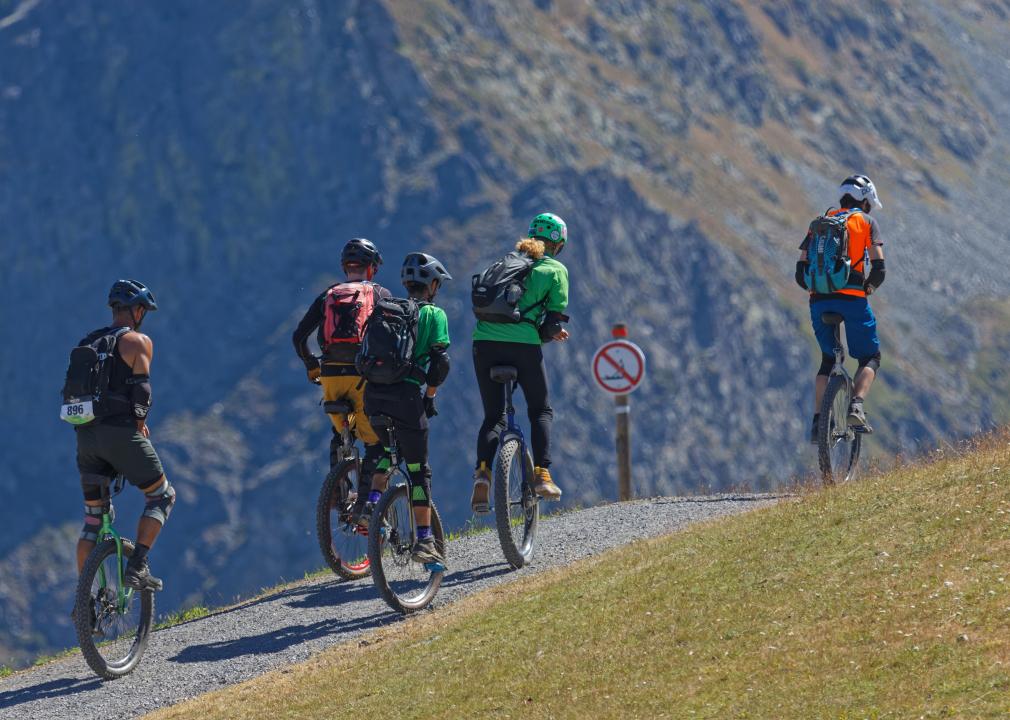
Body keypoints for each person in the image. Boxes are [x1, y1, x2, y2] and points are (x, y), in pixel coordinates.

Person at [74, 280, 174, 591]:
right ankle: (138, 565)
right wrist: (139, 423)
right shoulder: (138, 341)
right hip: (119, 434)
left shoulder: (88, 342)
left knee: (93, 520)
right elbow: (142, 392)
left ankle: (85, 601)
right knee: (162, 496)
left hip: (86, 438)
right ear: (137, 310)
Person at [470, 213, 570, 512]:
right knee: (540, 409)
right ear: (559, 244)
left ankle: (483, 475)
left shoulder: (504, 264)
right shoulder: (555, 270)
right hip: (523, 346)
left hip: (484, 343)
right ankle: (542, 473)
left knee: (493, 417)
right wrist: (550, 334)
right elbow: (552, 325)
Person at [292, 238, 390, 521]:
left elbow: (299, 337)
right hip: (362, 376)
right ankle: (364, 508)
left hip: (331, 377)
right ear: (371, 269)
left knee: (341, 432)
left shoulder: (329, 295)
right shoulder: (380, 293)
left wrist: (312, 365)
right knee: (376, 442)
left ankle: (338, 495)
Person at [363, 252, 452, 564]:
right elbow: (441, 363)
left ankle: (372, 502)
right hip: (406, 398)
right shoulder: (433, 315)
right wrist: (429, 394)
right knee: (417, 470)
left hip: (372, 396)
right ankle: (425, 540)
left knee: (387, 451)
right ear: (433, 285)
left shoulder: (386, 311)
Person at [796, 174, 886, 440]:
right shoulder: (867, 222)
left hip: (819, 301)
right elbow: (879, 269)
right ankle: (856, 406)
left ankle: (818, 423)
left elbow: (800, 271)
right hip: (853, 300)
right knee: (871, 357)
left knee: (827, 360)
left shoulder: (820, 222)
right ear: (866, 201)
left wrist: (820, 290)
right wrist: (866, 288)